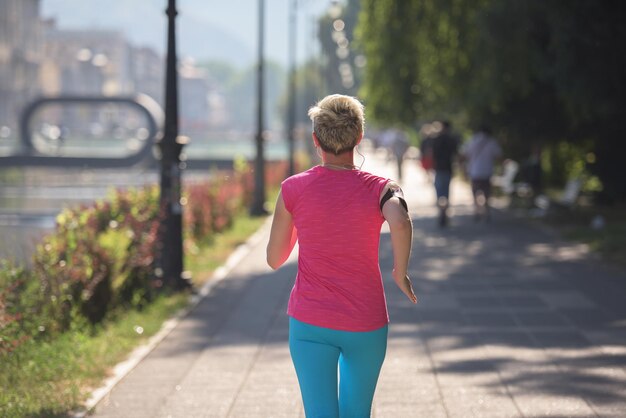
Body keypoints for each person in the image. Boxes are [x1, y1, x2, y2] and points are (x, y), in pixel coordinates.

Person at [266, 94, 417, 418]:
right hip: (366, 320)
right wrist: (399, 272)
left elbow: (274, 259)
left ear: (315, 139)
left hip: (310, 321)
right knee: (357, 412)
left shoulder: (293, 188)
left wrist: (301, 222)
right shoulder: (380, 187)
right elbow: (401, 222)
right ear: (359, 137)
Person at [460, 125, 503, 221]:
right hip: (487, 171)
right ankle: (486, 211)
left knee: (475, 192)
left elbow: (463, 155)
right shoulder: (491, 142)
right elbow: (499, 156)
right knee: (486, 192)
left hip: (474, 172)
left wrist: (463, 171)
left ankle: (477, 210)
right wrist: (501, 169)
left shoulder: (472, 141)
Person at [431, 121, 459, 227]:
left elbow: (432, 154)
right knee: (446, 193)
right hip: (448, 169)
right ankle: (445, 213)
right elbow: (456, 154)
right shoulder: (452, 140)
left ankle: (441, 212)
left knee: (439, 193)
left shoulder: (436, 139)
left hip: (438, 169)